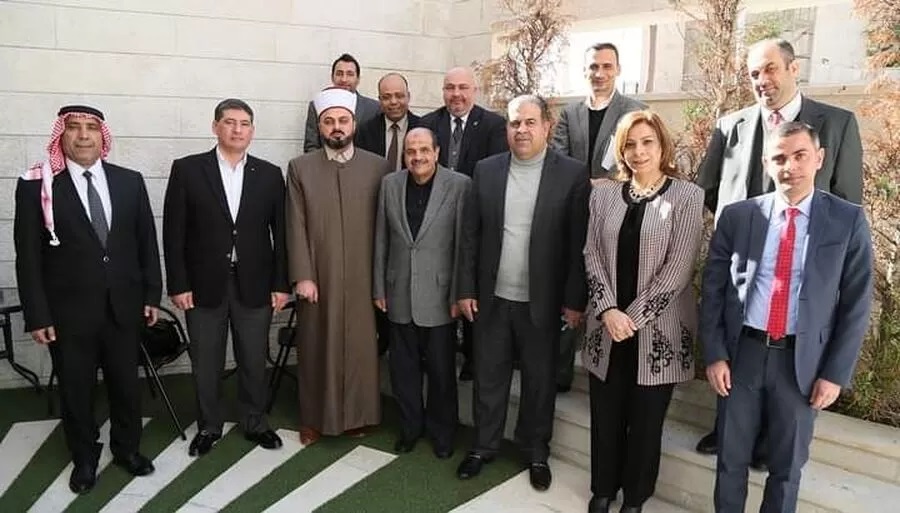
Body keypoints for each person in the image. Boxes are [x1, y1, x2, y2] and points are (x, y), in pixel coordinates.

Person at [693, 37, 864, 460]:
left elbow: (848, 196)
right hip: (745, 264)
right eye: (753, 73)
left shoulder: (837, 124)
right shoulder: (730, 125)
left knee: (788, 366)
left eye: (770, 68)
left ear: (793, 69)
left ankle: (772, 441)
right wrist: (744, 232)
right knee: (738, 349)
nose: (761, 79)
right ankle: (727, 430)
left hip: (802, 267)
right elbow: (707, 188)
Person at [701, 121, 873, 513]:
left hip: (802, 365)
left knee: (786, 468)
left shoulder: (846, 220)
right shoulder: (739, 216)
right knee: (730, 460)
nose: (789, 167)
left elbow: (856, 303)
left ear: (819, 159)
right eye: (779, 158)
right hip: (743, 355)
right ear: (766, 162)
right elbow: (712, 290)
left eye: (800, 156)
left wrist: (834, 374)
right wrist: (714, 353)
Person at [14, 105, 162, 494]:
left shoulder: (129, 181)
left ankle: (127, 449)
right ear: (60, 135)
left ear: (103, 136)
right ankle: (84, 457)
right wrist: (37, 314)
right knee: (76, 391)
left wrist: (152, 293)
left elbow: (146, 242)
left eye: (92, 128)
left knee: (126, 385)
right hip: (68, 314)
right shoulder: (37, 186)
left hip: (123, 308)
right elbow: (27, 256)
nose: (83, 135)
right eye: (74, 128)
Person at [455, 95, 589, 491]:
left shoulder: (572, 174)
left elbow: (577, 243)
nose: (522, 130)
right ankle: (483, 446)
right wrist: (465, 289)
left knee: (539, 382)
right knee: (488, 377)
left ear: (547, 126)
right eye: (515, 123)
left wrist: (574, 301)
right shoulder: (486, 170)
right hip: (492, 298)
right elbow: (470, 236)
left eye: (530, 122)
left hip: (543, 302)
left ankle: (536, 452)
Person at [581, 110, 704, 513]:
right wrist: (608, 311)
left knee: (646, 423)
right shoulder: (602, 195)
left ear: (662, 145)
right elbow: (591, 254)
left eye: (647, 142)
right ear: (620, 151)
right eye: (630, 144)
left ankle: (634, 499)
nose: (639, 151)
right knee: (605, 415)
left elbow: (678, 270)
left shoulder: (687, 196)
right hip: (606, 329)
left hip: (657, 333)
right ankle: (603, 489)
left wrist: (630, 318)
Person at [163, 98, 290, 457]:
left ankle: (255, 422)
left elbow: (281, 235)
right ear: (215, 126)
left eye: (244, 123)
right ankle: (209, 425)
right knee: (206, 361)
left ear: (252, 130)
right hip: (202, 284)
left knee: (253, 357)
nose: (237, 129)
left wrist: (281, 284)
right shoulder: (188, 170)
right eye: (230, 122)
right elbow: (173, 233)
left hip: (255, 283)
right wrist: (179, 283)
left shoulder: (269, 174)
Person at [286, 87, 392, 446]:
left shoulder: (379, 167)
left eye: (342, 120)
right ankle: (314, 419)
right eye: (328, 121)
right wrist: (303, 275)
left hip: (364, 275)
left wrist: (381, 279)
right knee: (316, 346)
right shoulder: (300, 168)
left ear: (353, 124)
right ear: (319, 127)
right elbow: (295, 223)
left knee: (360, 348)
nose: (336, 127)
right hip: (319, 275)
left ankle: (358, 416)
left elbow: (387, 225)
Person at [551, 41, 646, 393]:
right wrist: (584, 185)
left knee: (611, 290)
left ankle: (608, 373)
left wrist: (597, 183)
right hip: (574, 214)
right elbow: (559, 159)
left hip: (619, 216)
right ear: (585, 71)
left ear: (618, 69)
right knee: (570, 289)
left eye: (606, 66)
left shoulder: (635, 111)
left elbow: (636, 165)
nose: (600, 73)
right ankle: (560, 372)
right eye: (593, 66)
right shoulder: (570, 113)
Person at [373, 127, 470, 459]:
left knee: (442, 374)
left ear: (437, 152)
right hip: (398, 292)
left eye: (424, 150)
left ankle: (443, 433)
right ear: (404, 155)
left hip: (441, 297)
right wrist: (379, 286)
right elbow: (381, 239)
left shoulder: (459, 185)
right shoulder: (390, 184)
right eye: (411, 151)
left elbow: (463, 246)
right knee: (403, 371)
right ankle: (410, 428)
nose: (417, 157)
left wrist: (459, 293)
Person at [420, 66, 508, 381]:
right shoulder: (428, 123)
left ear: (474, 90)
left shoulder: (494, 125)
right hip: (436, 220)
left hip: (477, 219)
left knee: (471, 286)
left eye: (462, 87)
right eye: (450, 88)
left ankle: (472, 354)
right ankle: (437, 351)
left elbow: (496, 173)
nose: (456, 94)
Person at [356, 71, 422, 356]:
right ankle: (383, 336)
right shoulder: (364, 130)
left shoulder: (425, 127)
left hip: (414, 217)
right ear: (379, 99)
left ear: (408, 97)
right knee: (379, 273)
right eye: (386, 97)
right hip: (374, 213)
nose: (393, 102)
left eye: (399, 96)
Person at [303, 53, 381, 153]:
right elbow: (311, 146)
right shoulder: (316, 106)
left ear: (358, 79)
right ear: (332, 77)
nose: (344, 79)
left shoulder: (374, 108)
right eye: (339, 74)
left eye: (350, 74)